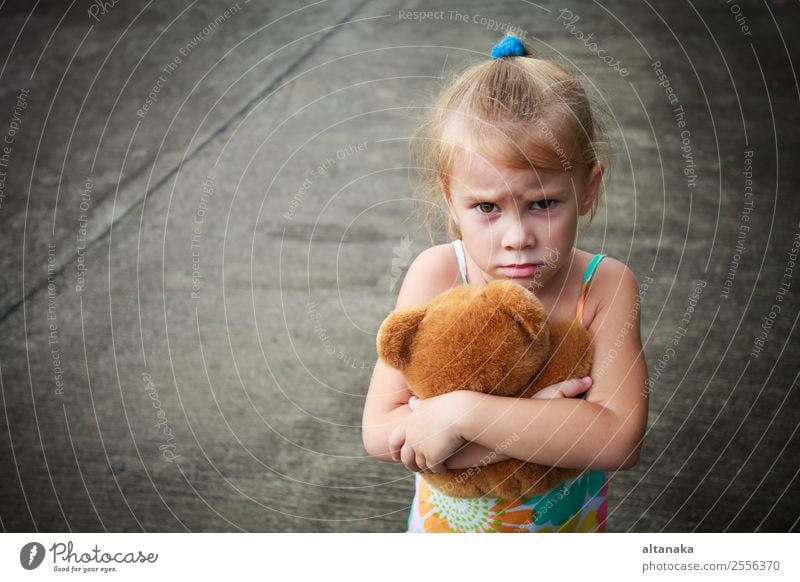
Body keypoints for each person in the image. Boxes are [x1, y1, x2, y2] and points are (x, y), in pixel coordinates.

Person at [362, 34, 648, 532]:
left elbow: (617, 439)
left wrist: (461, 416)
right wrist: (543, 423)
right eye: (487, 208)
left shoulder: (603, 286)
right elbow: (380, 430)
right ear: (450, 199)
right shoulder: (438, 274)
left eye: (543, 203)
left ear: (589, 186)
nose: (518, 238)